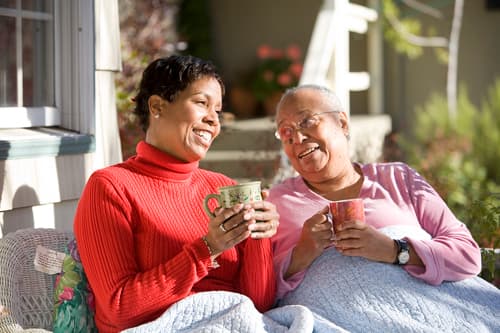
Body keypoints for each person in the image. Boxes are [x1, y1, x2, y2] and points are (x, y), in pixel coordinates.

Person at [265, 85, 500, 332]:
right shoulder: (276, 202)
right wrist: (301, 255)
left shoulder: (399, 178)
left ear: (342, 123)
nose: (298, 138)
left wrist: (394, 250)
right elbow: (259, 290)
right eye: (286, 131)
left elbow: (467, 255)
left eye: (307, 121)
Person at [73, 55, 279, 333]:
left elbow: (260, 304)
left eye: (217, 111)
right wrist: (207, 249)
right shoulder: (111, 187)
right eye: (201, 103)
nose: (213, 120)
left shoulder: (222, 187)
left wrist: (259, 237)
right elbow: (119, 309)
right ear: (157, 106)